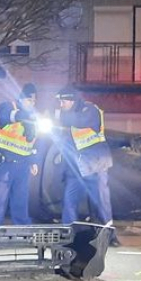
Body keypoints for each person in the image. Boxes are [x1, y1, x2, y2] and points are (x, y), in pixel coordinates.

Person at [55, 85, 121, 247]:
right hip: (76, 168)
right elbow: (66, 139)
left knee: (101, 203)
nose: (61, 105)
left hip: (95, 165)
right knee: (69, 201)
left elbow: (78, 121)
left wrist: (57, 116)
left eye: (63, 102)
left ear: (72, 100)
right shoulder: (68, 115)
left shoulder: (90, 110)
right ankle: (68, 235)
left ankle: (110, 236)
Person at [0, 83, 40, 225]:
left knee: (20, 202)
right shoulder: (7, 107)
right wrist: (26, 115)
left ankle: (22, 231)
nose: (32, 104)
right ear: (21, 99)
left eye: (34, 101)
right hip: (3, 163)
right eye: (29, 100)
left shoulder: (33, 118)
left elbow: (33, 143)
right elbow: (7, 116)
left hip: (22, 165)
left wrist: (33, 161)